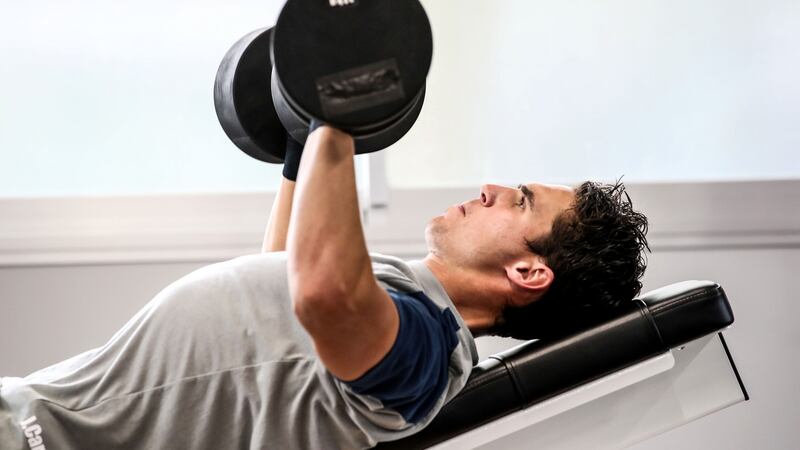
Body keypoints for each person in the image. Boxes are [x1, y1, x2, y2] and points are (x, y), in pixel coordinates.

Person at [0, 125, 649, 450]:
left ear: (529, 272)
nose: (490, 188)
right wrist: (302, 138)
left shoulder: (427, 350)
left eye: (520, 202)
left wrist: (337, 113)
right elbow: (286, 278)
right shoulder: (403, 299)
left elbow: (321, 296)